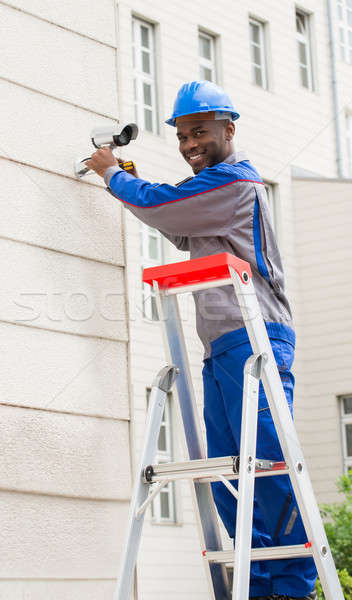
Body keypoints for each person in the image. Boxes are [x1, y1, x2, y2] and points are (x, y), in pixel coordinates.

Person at [85, 81, 317, 600]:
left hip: (257, 339)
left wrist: (109, 174)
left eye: (200, 132)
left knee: (270, 465)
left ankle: (291, 589)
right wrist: (129, 182)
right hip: (222, 345)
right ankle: (256, 586)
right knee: (231, 472)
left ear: (228, 129)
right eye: (183, 135)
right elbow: (179, 227)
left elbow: (166, 207)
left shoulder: (234, 181)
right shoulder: (212, 189)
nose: (190, 143)